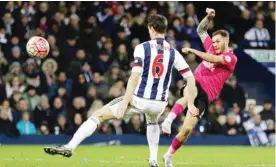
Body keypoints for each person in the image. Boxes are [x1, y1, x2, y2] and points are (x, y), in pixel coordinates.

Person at [44, 14, 198, 167]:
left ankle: (70, 146)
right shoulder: (173, 52)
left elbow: (134, 77)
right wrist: (190, 104)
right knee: (152, 121)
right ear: (164, 29)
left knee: (98, 115)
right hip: (160, 103)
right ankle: (153, 160)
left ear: (151, 28)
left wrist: (125, 102)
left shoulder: (142, 48)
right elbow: (191, 79)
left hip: (140, 99)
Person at [162, 8, 238, 167]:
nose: (214, 43)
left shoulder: (231, 58)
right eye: (214, 41)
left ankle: (168, 154)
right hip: (194, 81)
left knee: (187, 130)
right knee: (189, 92)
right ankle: (168, 120)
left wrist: (193, 50)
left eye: (218, 41)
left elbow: (212, 58)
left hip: (207, 95)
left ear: (226, 41)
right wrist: (208, 17)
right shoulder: (210, 46)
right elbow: (201, 29)